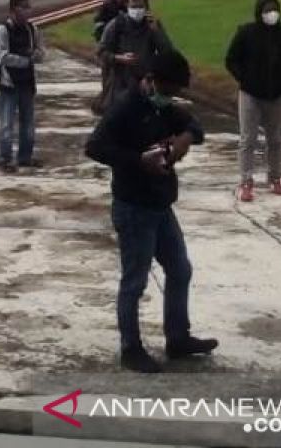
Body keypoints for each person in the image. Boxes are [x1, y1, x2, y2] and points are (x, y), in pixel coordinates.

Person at [85, 49, 218, 374]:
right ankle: (131, 347)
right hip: (134, 206)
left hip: (161, 204)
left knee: (180, 269)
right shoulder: (125, 108)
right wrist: (138, 160)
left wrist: (184, 140)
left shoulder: (165, 107)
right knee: (135, 280)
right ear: (152, 81)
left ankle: (178, 337)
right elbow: (95, 147)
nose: (171, 97)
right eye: (169, 90)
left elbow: (193, 125)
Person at [225, 0, 281, 201]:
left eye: (274, 10)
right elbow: (231, 59)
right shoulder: (247, 33)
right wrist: (244, 79)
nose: (272, 14)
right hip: (251, 94)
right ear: (259, 12)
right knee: (248, 138)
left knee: (275, 139)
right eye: (267, 11)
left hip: (275, 94)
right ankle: (246, 180)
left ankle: (274, 177)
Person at [97, 0, 174, 111]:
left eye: (140, 7)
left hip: (145, 84)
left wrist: (157, 32)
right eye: (134, 7)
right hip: (120, 85)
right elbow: (101, 52)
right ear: (127, 4)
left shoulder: (152, 25)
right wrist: (119, 58)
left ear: (146, 6)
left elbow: (168, 52)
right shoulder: (115, 25)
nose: (137, 10)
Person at [0, 0, 46, 171]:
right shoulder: (2, 30)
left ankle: (25, 157)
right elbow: (2, 56)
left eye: (28, 7)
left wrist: (35, 56)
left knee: (28, 124)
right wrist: (26, 60)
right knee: (7, 124)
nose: (28, 11)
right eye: (24, 7)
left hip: (27, 83)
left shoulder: (32, 29)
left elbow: (41, 52)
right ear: (14, 9)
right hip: (9, 84)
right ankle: (5, 158)